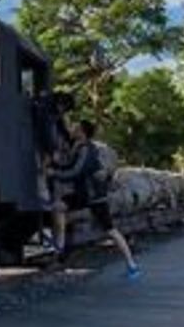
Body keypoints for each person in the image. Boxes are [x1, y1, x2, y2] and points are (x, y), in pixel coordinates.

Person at [50, 120, 142, 279]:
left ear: (82, 132)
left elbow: (76, 171)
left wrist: (55, 174)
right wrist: (55, 166)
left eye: (75, 127)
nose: (72, 128)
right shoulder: (79, 147)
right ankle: (59, 249)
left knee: (111, 231)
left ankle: (132, 266)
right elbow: (69, 165)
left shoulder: (87, 150)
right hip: (84, 194)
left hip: (94, 197)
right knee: (58, 207)